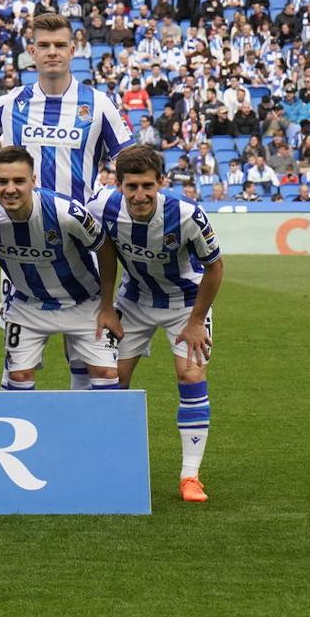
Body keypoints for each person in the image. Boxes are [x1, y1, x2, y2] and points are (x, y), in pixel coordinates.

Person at [0, 12, 132, 388]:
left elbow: (131, 164)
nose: (52, 53)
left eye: (60, 45)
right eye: (44, 46)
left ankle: (77, 441)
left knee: (83, 356)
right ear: (31, 52)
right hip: (20, 246)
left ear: (73, 49)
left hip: (78, 242)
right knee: (19, 360)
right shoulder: (12, 103)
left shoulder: (98, 105)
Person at [88, 145, 222, 503]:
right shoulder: (103, 208)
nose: (140, 194)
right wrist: (105, 306)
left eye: (148, 185)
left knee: (191, 375)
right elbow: (103, 255)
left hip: (185, 304)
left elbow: (215, 267)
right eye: (131, 186)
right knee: (111, 377)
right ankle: (112, 465)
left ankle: (190, 476)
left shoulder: (187, 213)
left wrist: (196, 322)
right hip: (134, 301)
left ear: (161, 182)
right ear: (118, 185)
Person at [0, 146, 123, 391]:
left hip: (85, 302)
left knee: (106, 375)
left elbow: (105, 248)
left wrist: (108, 306)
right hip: (29, 304)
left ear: (33, 181)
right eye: (2, 181)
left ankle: (89, 429)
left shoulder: (67, 213)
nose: (10, 189)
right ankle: (22, 428)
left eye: (19, 181)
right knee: (19, 378)